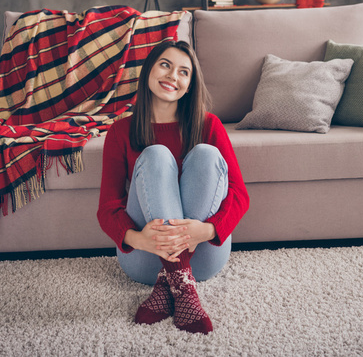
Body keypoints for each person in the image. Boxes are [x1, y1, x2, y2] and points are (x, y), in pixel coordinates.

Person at [97, 39, 249, 335]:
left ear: (190, 85)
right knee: (155, 154)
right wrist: (141, 240)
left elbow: (240, 195)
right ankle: (181, 283)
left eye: (183, 72)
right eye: (165, 65)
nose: (172, 76)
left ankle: (173, 282)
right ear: (149, 71)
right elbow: (107, 207)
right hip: (144, 258)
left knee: (206, 154)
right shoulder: (120, 131)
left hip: (204, 253)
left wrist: (204, 231)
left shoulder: (209, 125)